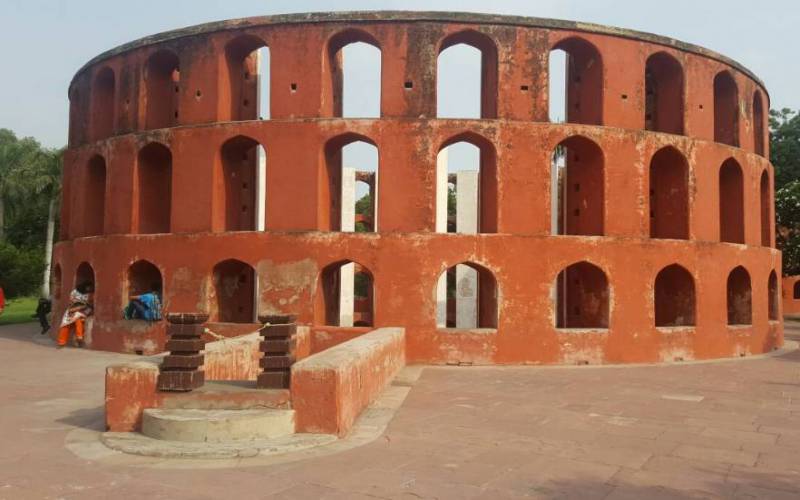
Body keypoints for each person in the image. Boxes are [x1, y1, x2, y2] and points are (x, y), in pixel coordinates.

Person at [57, 282, 94, 348]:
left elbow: (90, 303)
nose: (89, 289)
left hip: (84, 310)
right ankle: (61, 342)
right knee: (65, 324)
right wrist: (76, 305)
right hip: (73, 309)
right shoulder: (75, 291)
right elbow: (71, 300)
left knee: (78, 320)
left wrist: (84, 306)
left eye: (90, 288)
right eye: (88, 287)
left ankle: (79, 337)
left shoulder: (89, 293)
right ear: (84, 286)